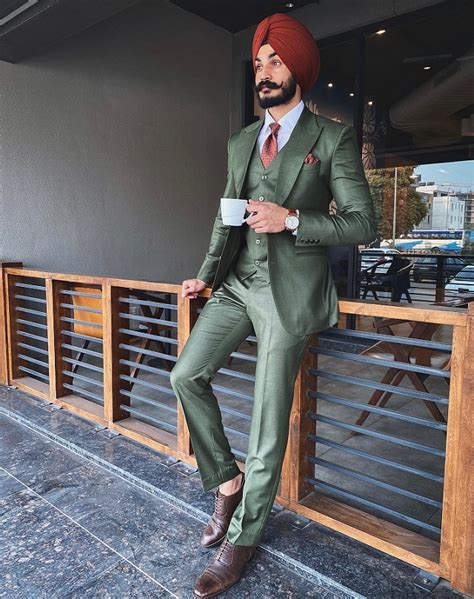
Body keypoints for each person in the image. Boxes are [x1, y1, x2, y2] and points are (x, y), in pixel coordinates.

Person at [170, 12, 377, 598]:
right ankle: (226, 482)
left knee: (267, 419)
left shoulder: (331, 138)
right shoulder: (241, 141)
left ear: (298, 70)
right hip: (238, 282)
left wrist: (292, 220)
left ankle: (243, 537)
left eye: (275, 61)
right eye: (258, 62)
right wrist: (206, 276)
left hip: (289, 293)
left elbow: (364, 223)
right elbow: (227, 217)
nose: (263, 71)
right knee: (186, 375)